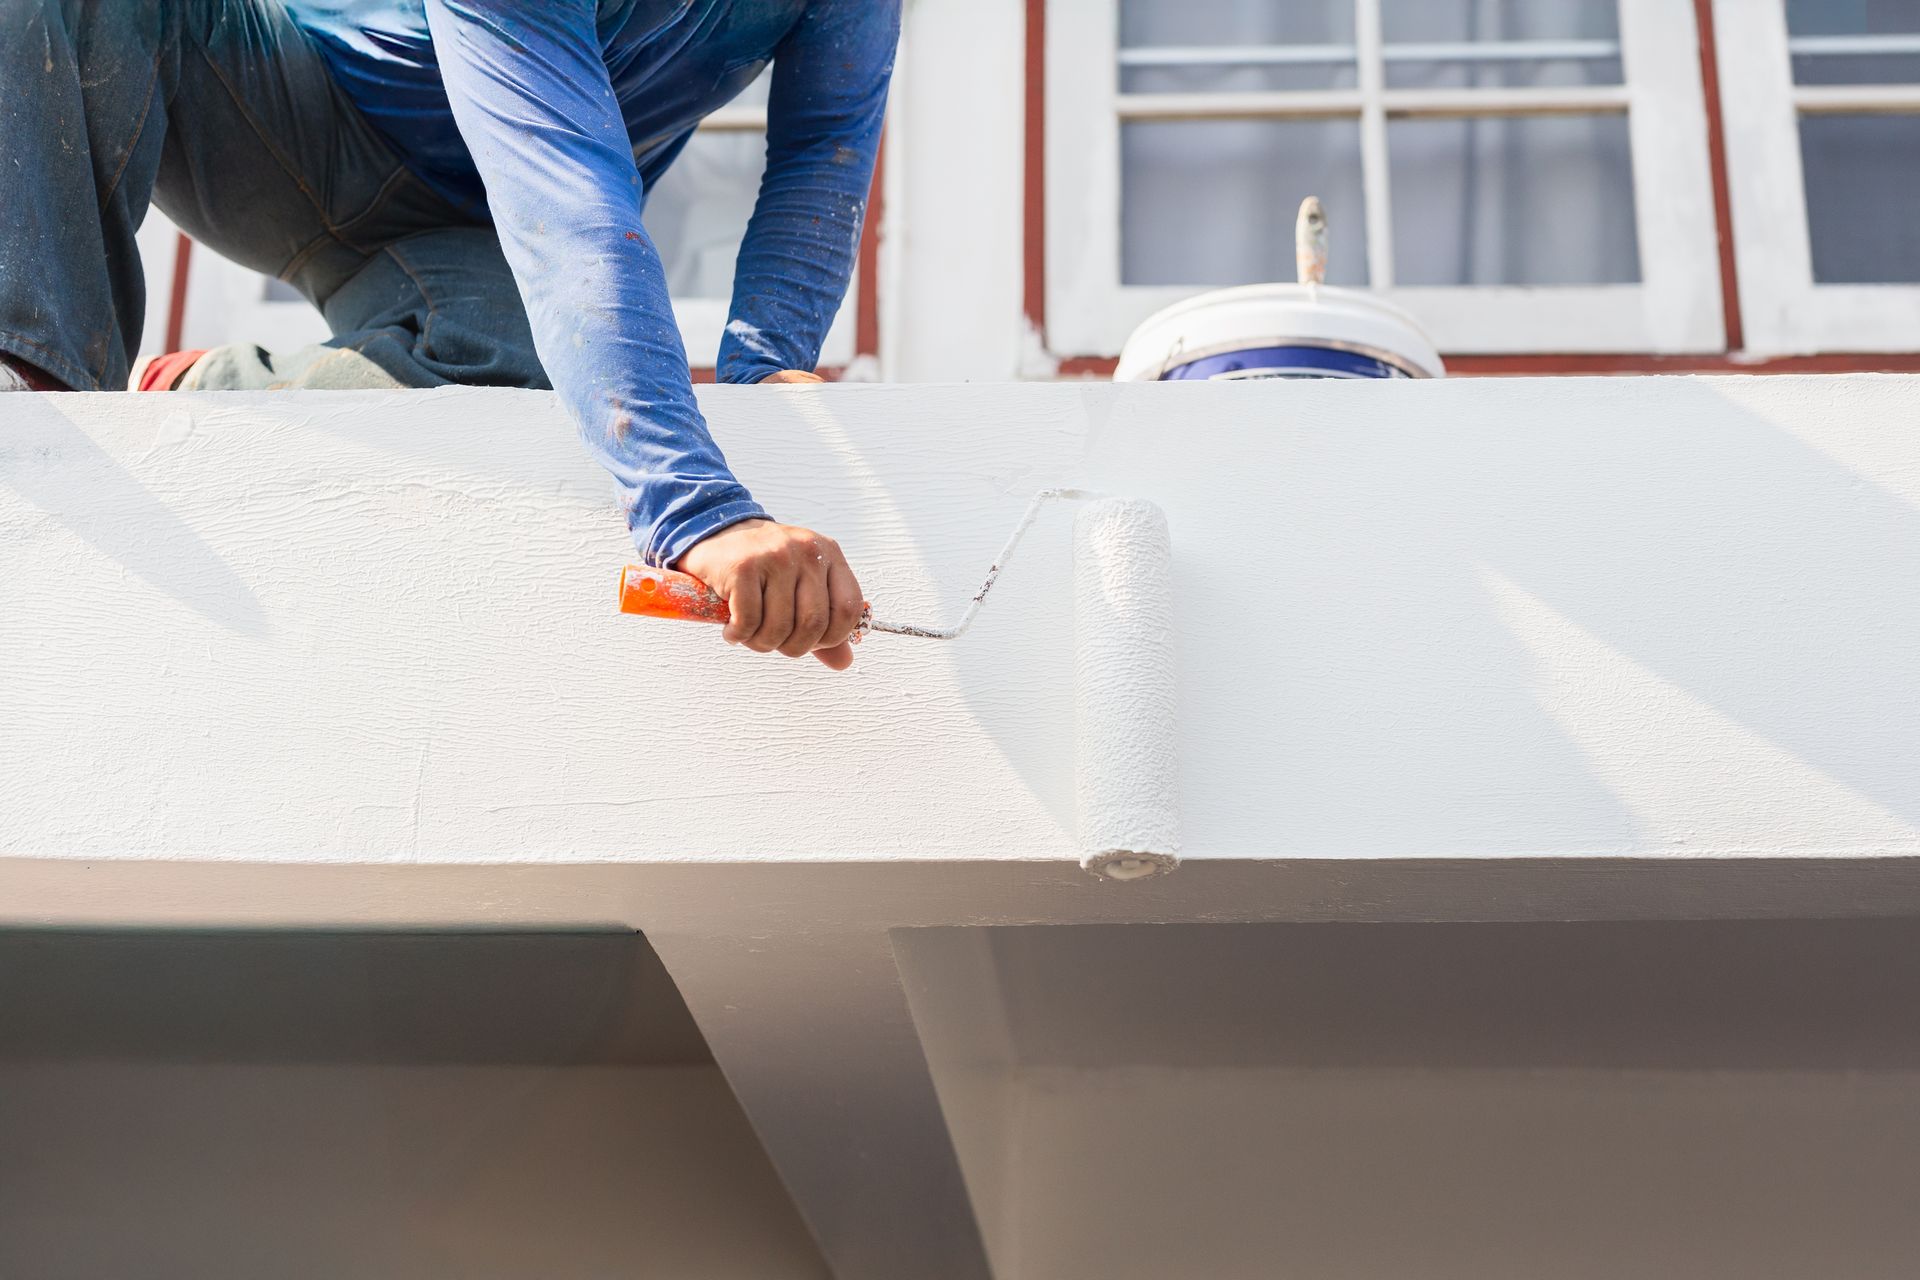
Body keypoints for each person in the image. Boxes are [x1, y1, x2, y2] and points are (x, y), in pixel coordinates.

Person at [0, 0, 899, 670]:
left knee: (526, 384)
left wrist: (765, 374)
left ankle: (209, 387)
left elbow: (823, 148)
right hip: (285, 117)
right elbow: (569, 203)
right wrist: (698, 513)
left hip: (474, 242)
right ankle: (33, 391)